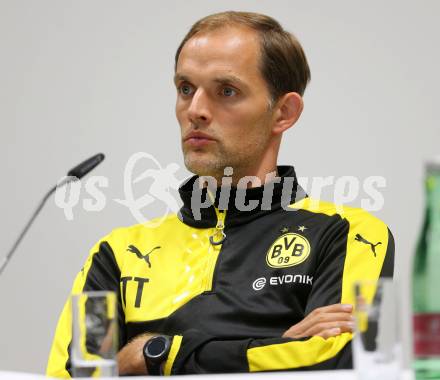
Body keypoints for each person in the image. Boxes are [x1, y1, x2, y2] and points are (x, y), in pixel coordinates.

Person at [47, 11, 394, 377]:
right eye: (185, 89)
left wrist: (154, 353)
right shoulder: (115, 255)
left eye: (226, 91)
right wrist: (280, 348)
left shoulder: (350, 233)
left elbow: (339, 361)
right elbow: (76, 376)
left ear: (283, 112)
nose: (195, 110)